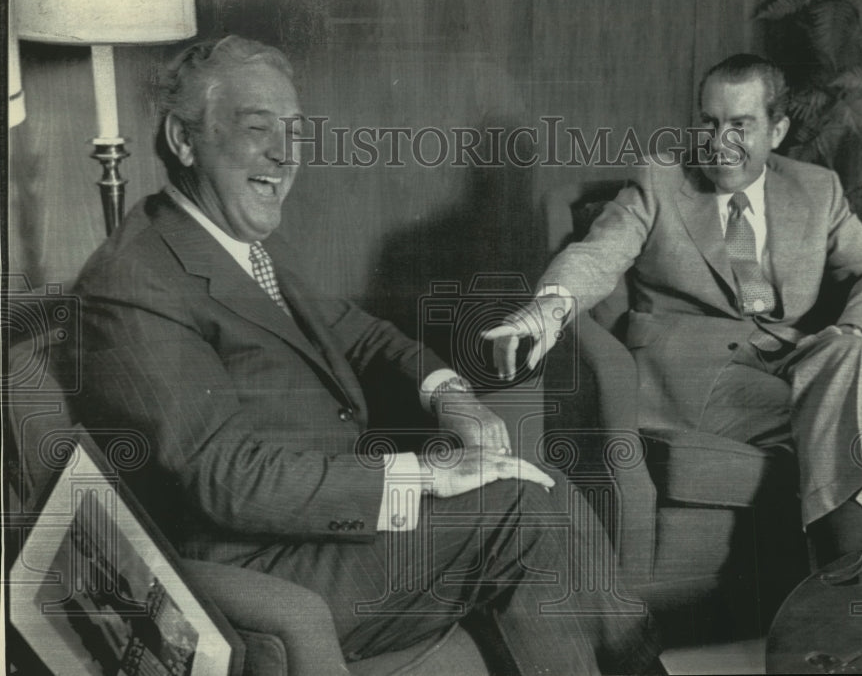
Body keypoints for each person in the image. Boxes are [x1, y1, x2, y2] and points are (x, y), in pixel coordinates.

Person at [72, 35, 664, 675]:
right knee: (517, 510)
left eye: (295, 131)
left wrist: (451, 396)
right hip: (263, 564)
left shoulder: (236, 239)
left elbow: (356, 332)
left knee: (541, 484)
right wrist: (430, 475)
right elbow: (224, 479)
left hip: (330, 523)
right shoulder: (134, 281)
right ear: (184, 141)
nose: (285, 154)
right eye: (256, 129)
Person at [485, 54, 862, 566]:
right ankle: (848, 575)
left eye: (740, 125)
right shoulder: (660, 180)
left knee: (857, 357)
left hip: (786, 357)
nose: (719, 141)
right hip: (694, 374)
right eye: (708, 122)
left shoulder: (816, 190)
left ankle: (838, 581)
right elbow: (598, 254)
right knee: (850, 424)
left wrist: (851, 328)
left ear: (776, 131)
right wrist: (547, 311)